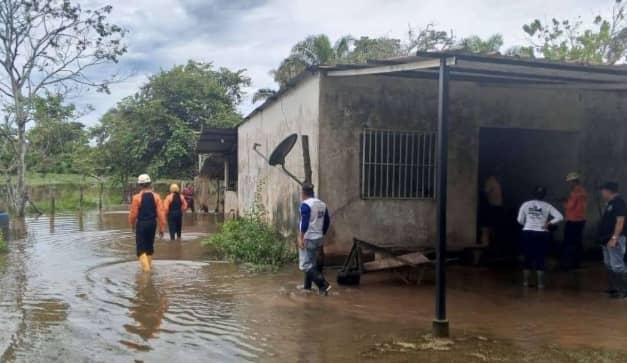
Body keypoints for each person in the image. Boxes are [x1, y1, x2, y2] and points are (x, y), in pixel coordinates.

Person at [517, 186, 564, 289]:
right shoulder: (547, 206)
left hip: (527, 232)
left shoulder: (526, 204)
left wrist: (527, 223)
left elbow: (519, 220)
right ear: (544, 195)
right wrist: (549, 223)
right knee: (540, 257)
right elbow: (560, 217)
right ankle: (541, 284)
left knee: (527, 257)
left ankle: (525, 283)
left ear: (533, 194)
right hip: (542, 233)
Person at [298, 183, 331, 296]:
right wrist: (322, 233)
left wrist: (301, 238)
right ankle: (307, 288)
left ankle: (323, 284)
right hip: (319, 238)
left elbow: (305, 222)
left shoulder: (305, 205)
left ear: (303, 193)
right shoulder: (322, 204)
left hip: (308, 238)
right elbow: (327, 222)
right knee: (311, 264)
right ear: (312, 193)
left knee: (305, 265)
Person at [129, 174, 166, 272]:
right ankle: (148, 268)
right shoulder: (156, 197)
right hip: (152, 224)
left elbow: (133, 214)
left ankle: (146, 272)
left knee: (140, 249)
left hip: (142, 224)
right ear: (150, 184)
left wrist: (132, 225)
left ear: (140, 185)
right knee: (149, 247)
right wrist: (162, 228)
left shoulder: (137, 198)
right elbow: (161, 214)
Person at [598, 182, 627, 298]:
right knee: (609, 264)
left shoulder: (619, 203)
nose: (602, 192)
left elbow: (620, 221)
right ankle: (614, 288)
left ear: (608, 191)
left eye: (603, 190)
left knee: (617, 265)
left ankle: (624, 290)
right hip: (606, 239)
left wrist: (614, 238)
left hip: (615, 238)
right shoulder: (609, 203)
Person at [561, 172, 588, 270]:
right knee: (578, 242)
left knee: (569, 242)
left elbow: (570, 206)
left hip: (572, 220)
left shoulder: (575, 192)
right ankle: (577, 263)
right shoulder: (583, 191)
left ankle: (568, 264)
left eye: (569, 182)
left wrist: (564, 202)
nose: (569, 184)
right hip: (581, 220)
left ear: (573, 181)